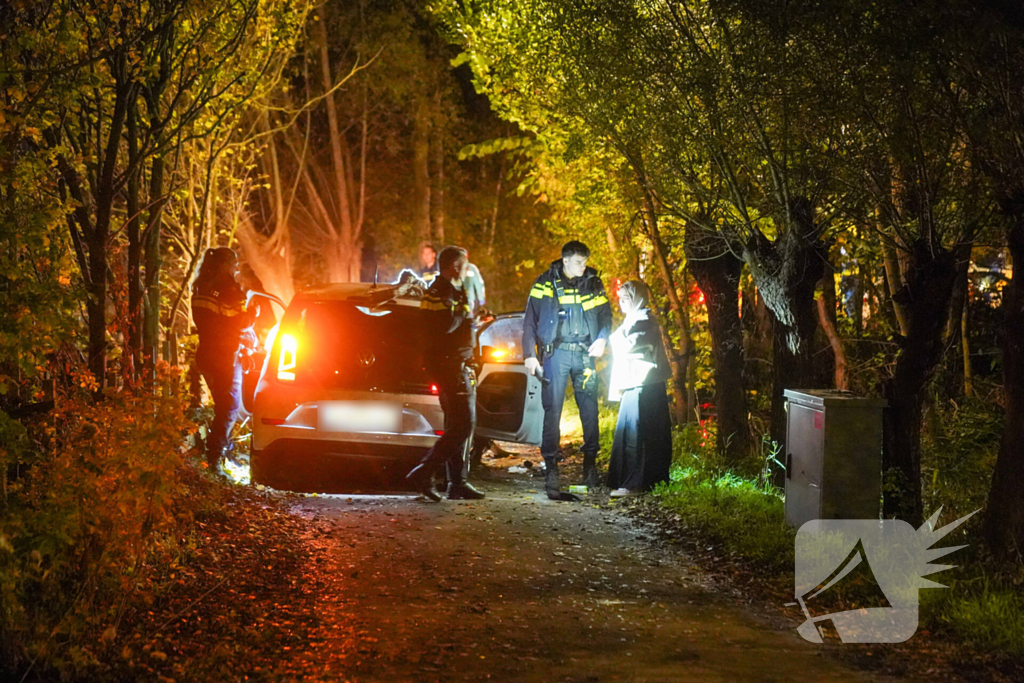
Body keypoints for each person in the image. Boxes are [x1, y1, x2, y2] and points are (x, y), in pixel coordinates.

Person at [523, 240, 612, 500]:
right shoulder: (544, 283)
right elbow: (530, 320)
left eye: (585, 262)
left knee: (590, 411)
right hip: (556, 353)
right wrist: (529, 354)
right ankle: (551, 467)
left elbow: (606, 316)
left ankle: (590, 466)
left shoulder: (594, 283)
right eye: (578, 262)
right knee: (553, 410)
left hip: (585, 353)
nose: (583, 266)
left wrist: (603, 338)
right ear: (565, 261)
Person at [406, 246, 486, 502]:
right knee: (464, 424)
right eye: (464, 265)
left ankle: (457, 483)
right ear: (454, 266)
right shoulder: (439, 291)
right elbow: (443, 326)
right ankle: (424, 472)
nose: (467, 269)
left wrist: (475, 320)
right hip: (449, 365)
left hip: (456, 364)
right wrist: (466, 312)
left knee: (456, 424)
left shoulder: (452, 290)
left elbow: (457, 324)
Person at [191, 247, 256, 473]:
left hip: (206, 354)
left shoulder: (201, 287)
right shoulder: (228, 288)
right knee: (228, 407)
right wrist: (253, 314)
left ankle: (218, 452)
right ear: (224, 265)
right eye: (233, 264)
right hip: (225, 356)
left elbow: (217, 324)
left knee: (223, 406)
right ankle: (215, 460)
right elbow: (239, 321)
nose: (236, 268)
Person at [606, 280, 673, 497]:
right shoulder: (634, 318)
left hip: (644, 385)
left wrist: (614, 337)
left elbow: (627, 345)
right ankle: (632, 481)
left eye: (626, 298)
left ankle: (636, 484)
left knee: (639, 434)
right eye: (620, 299)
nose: (622, 303)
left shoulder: (644, 319)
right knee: (632, 432)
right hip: (637, 384)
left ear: (637, 298)